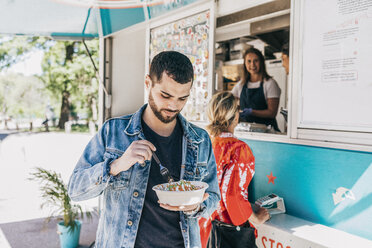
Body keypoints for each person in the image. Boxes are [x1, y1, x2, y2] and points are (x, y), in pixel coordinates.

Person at [68, 51, 220, 248]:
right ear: (148, 83)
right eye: (165, 95)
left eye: (182, 98)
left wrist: (197, 206)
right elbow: (75, 190)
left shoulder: (200, 140)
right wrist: (116, 165)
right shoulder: (114, 131)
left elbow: (214, 196)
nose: (173, 106)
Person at [199, 91, 270, 248]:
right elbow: (232, 195)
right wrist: (255, 218)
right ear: (235, 116)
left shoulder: (206, 145)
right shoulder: (239, 149)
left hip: (207, 229)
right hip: (229, 232)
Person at [231, 48, 281, 132]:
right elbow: (229, 100)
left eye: (256, 61)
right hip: (246, 131)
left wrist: (252, 112)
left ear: (261, 62)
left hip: (267, 132)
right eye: (249, 61)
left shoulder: (270, 83)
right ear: (245, 64)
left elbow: (272, 113)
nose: (252, 65)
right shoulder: (241, 84)